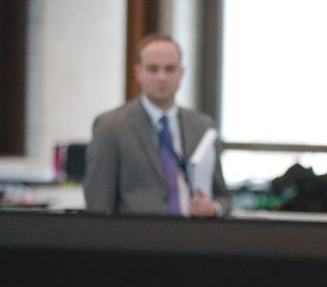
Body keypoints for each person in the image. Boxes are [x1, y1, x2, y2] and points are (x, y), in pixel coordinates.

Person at [84, 33, 230, 217]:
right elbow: (98, 204)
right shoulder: (110, 126)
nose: (162, 77)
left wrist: (213, 209)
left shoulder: (203, 126)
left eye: (170, 69)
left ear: (181, 73)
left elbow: (224, 198)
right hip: (135, 242)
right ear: (138, 73)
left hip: (193, 240)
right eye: (153, 69)